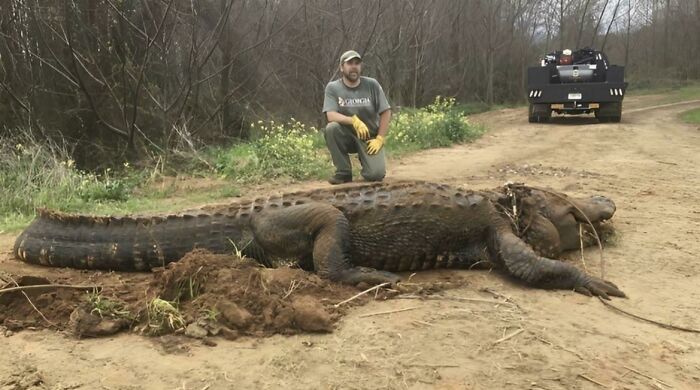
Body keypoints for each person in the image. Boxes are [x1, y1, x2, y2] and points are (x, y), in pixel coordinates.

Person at [322, 50, 392, 184]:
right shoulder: (333, 88)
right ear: (342, 67)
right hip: (346, 135)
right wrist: (353, 121)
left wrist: (380, 138)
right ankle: (343, 172)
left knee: (376, 175)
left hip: (369, 138)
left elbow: (386, 111)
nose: (354, 66)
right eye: (350, 63)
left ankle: (368, 165)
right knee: (331, 128)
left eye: (357, 63)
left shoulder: (372, 85)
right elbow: (330, 115)